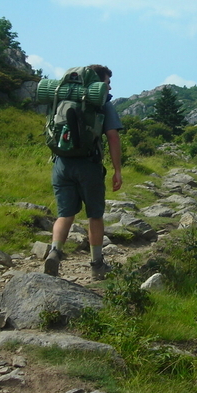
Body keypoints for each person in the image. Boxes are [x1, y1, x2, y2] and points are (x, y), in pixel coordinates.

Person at [44, 64, 123, 280]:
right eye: (107, 82)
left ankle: (54, 252)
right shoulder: (102, 103)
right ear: (98, 83)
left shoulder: (60, 98)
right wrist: (117, 170)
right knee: (94, 215)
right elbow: (113, 137)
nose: (109, 86)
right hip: (88, 165)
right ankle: (97, 265)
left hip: (61, 163)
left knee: (65, 214)